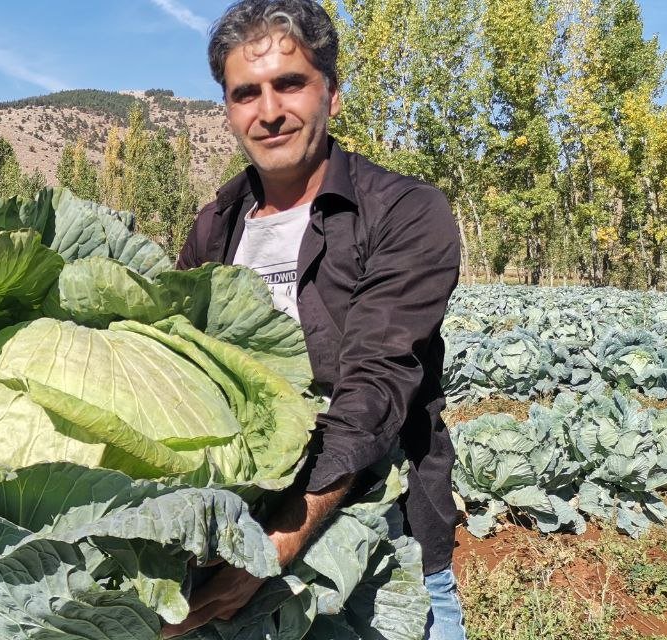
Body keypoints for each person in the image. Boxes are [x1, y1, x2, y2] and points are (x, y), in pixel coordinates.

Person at [164, 1, 466, 639]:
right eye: (246, 93)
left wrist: (273, 544)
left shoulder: (404, 212)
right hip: (228, 547)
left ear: (332, 90)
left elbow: (375, 387)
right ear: (228, 108)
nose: (269, 111)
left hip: (381, 542)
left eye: (290, 83)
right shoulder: (215, 226)